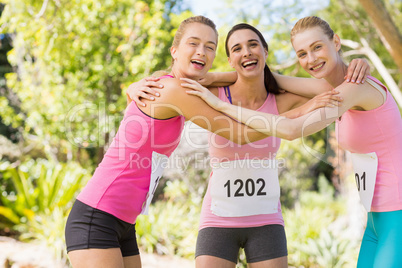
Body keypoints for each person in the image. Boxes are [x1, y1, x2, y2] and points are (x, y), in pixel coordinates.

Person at [128, 23, 370, 267]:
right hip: (218, 219)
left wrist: (356, 65)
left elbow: (337, 86)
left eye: (253, 45)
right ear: (230, 60)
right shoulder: (212, 93)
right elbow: (169, 79)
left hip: (267, 221)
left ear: (265, 52)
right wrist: (133, 87)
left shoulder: (283, 99)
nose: (246, 52)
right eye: (237, 48)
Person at [184, 16, 402, 268]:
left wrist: (221, 105)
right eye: (302, 53)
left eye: (317, 47)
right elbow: (267, 78)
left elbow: (289, 129)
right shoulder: (336, 89)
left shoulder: (353, 87)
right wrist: (215, 77)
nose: (311, 59)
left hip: (396, 212)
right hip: (377, 218)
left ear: (337, 42)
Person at [64, 16, 280, 268]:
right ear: (175, 51)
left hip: (123, 222)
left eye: (210, 47)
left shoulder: (171, 88)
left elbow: (239, 77)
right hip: (97, 216)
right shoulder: (173, 91)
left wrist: (130, 89)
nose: (202, 51)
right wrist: (295, 122)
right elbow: (239, 134)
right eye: (194, 43)